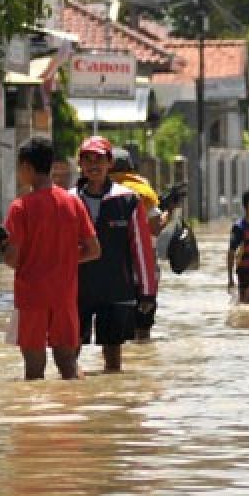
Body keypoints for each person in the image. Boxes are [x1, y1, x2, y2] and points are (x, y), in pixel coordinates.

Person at [3, 137, 100, 380]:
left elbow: (12, 259)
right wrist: (63, 257)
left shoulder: (20, 207)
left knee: (34, 371)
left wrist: (0, 249)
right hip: (64, 296)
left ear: (26, 168)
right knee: (68, 364)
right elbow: (94, 250)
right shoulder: (72, 202)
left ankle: (38, 417)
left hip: (31, 297)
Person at [73, 136, 157, 372]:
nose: (93, 165)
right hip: (77, 288)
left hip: (116, 288)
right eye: (87, 159)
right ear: (80, 164)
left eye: (99, 159)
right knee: (70, 352)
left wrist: (147, 292)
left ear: (109, 163)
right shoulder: (69, 199)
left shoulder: (128, 199)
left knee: (113, 357)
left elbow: (140, 248)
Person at [109, 147, 167, 340]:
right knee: (142, 333)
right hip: (144, 277)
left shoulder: (100, 193)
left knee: (115, 337)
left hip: (113, 276)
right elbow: (155, 228)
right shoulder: (143, 193)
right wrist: (167, 215)